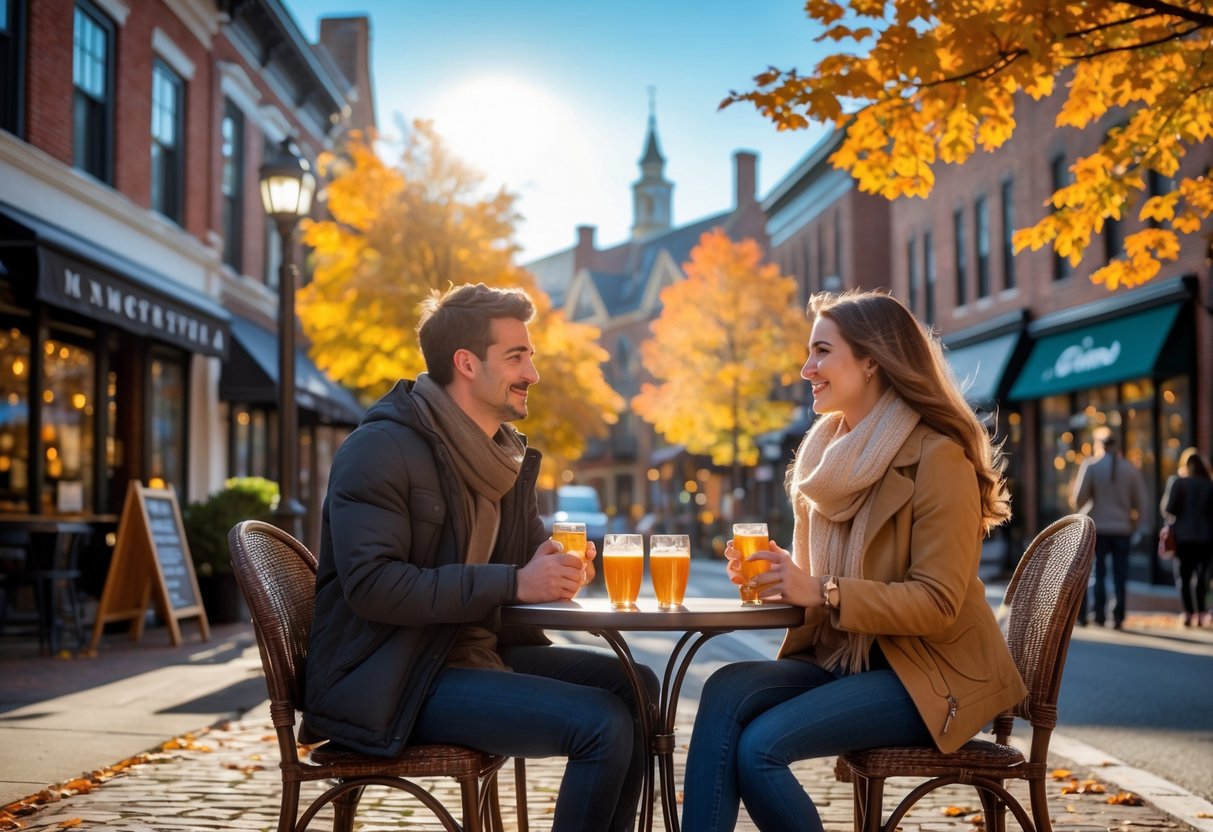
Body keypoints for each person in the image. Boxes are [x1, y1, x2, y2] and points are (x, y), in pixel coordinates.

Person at [303, 283, 656, 832]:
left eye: (530, 355)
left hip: (470, 656)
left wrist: (559, 569)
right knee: (600, 722)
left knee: (638, 686)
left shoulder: (501, 458)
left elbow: (524, 564)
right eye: (516, 356)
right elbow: (374, 586)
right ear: (465, 363)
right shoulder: (381, 449)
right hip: (392, 677)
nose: (532, 373)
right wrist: (515, 583)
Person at [682, 290, 1027, 832]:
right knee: (724, 688)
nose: (806, 368)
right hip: (846, 662)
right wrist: (782, 580)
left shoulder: (938, 457)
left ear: (871, 361)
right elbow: (816, 592)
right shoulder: (821, 462)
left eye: (822, 351)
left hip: (928, 676)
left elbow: (936, 603)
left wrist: (824, 589)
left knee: (758, 749)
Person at [1069, 427, 1148, 629]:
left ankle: (1099, 614)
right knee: (1120, 574)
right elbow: (1141, 504)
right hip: (1122, 529)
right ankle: (1119, 614)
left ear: (1099, 446)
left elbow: (1079, 499)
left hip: (1098, 528)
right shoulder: (1131, 469)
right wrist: (1135, 526)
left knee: (1099, 572)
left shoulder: (1091, 466)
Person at [1160, 447, 1213, 627]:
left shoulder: (1179, 483)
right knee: (1201, 577)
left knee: (1183, 577)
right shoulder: (1209, 485)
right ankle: (1202, 613)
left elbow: (1168, 509)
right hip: (1206, 538)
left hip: (1183, 538)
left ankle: (1189, 614)